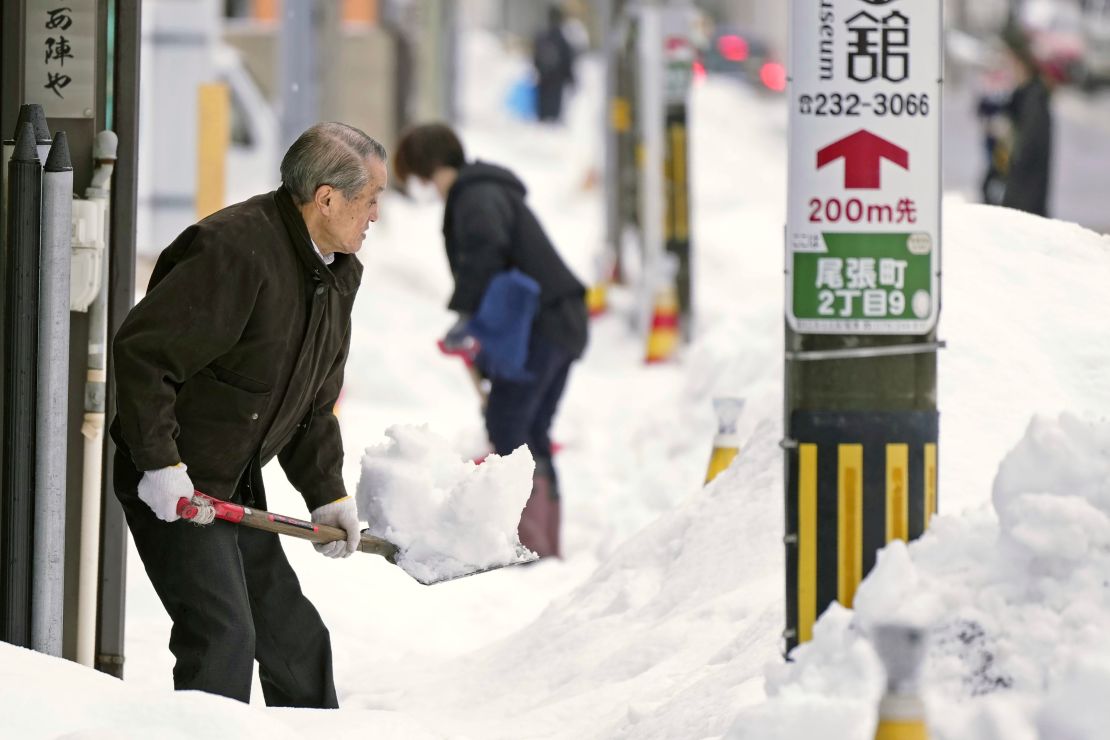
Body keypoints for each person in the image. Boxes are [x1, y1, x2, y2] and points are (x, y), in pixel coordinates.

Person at [109, 122, 387, 706]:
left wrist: (327, 494)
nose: (375, 216)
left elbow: (312, 403)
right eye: (370, 200)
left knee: (295, 640)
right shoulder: (232, 250)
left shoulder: (337, 273)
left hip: (233, 478)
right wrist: (158, 463)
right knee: (222, 637)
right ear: (327, 198)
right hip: (176, 478)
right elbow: (144, 355)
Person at [393, 123, 588, 558]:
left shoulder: (475, 195)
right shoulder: (483, 190)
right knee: (527, 428)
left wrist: (465, 315)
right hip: (557, 320)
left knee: (510, 426)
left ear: (427, 168)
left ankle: (530, 542)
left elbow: (485, 250)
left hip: (544, 324)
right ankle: (541, 542)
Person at [999, 24, 1053, 217]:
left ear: (1019, 62)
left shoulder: (1034, 102)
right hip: (1016, 202)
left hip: (1023, 208)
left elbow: (1027, 158)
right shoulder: (1021, 99)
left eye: (1007, 60)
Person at [533, 4, 576, 123]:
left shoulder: (541, 35)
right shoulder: (562, 37)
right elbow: (567, 60)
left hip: (544, 79)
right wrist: (571, 78)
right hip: (557, 81)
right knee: (553, 116)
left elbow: (535, 58)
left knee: (543, 114)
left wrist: (538, 70)